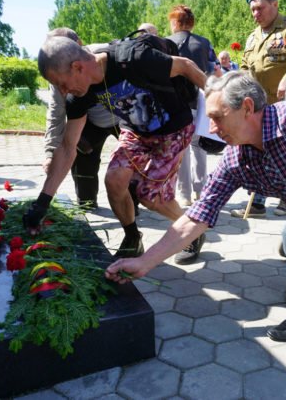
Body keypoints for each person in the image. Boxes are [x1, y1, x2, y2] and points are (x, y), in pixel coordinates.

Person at [105, 72, 286, 343]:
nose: (214, 130)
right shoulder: (236, 160)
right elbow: (198, 216)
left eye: (218, 118)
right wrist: (145, 263)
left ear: (246, 107)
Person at [26, 36, 207, 264]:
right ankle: (133, 239)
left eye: (62, 84)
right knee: (114, 179)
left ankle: (192, 232)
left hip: (173, 130)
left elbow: (185, 65)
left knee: (151, 196)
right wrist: (42, 203)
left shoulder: (133, 58)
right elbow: (67, 147)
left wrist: (219, 102)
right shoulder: (80, 95)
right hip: (137, 131)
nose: (63, 92)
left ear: (78, 67)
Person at [42, 28, 122, 209]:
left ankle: (130, 207)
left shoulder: (104, 54)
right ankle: (87, 204)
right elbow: (56, 114)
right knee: (80, 156)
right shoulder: (58, 71)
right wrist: (50, 154)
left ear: (79, 44)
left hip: (123, 118)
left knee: (129, 166)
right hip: (89, 120)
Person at [231, 0, 286, 219]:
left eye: (260, 8)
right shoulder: (253, 35)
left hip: (285, 103)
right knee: (258, 152)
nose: (255, 13)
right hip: (258, 106)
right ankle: (256, 203)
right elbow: (246, 67)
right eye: (252, 9)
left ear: (275, 5)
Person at [167, 5, 218, 207]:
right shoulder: (204, 43)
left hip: (176, 102)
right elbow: (213, 70)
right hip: (200, 99)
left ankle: (184, 194)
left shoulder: (166, 43)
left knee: (182, 149)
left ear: (175, 22)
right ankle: (201, 189)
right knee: (199, 145)